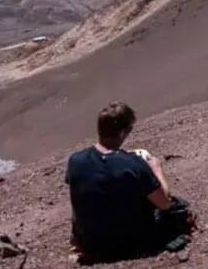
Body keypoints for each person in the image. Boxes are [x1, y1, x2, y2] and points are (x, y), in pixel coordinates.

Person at [65, 102, 187, 260]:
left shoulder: (75, 161)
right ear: (123, 132)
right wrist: (156, 169)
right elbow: (164, 202)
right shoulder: (133, 164)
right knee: (176, 206)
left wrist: (76, 235)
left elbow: (77, 201)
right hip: (130, 244)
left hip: (90, 243)